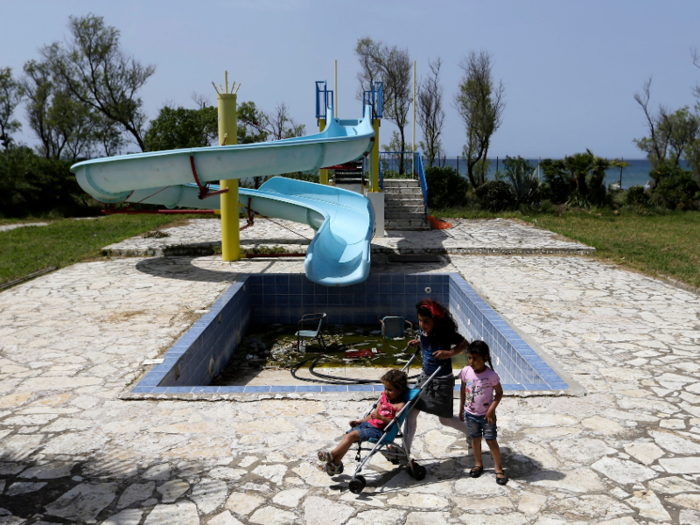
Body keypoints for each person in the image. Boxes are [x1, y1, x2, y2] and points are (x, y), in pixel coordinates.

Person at [403, 299, 471, 456]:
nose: (422, 324)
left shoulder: (444, 333)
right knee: (411, 412)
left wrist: (449, 353)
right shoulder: (423, 330)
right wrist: (418, 341)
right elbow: (426, 339)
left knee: (444, 420)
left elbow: (464, 343)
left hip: (441, 381)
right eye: (420, 320)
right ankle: (405, 450)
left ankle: (470, 432)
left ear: (435, 320)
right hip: (425, 377)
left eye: (426, 321)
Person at [317, 369, 407, 474]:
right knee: (348, 437)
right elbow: (372, 416)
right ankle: (334, 465)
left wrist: (381, 418)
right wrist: (360, 422)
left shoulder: (399, 405)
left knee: (352, 436)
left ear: (400, 390)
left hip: (378, 431)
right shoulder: (384, 399)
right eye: (385, 388)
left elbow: (393, 423)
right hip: (368, 425)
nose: (386, 392)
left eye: (390, 390)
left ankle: (331, 454)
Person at [459, 340, 507, 485]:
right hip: (470, 414)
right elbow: (462, 390)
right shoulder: (466, 371)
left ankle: (498, 468)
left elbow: (499, 393)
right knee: (475, 439)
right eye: (469, 358)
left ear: (485, 358)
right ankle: (478, 463)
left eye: (475, 359)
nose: (472, 362)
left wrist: (491, 410)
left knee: (491, 440)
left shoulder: (491, 375)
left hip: (487, 416)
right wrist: (461, 409)